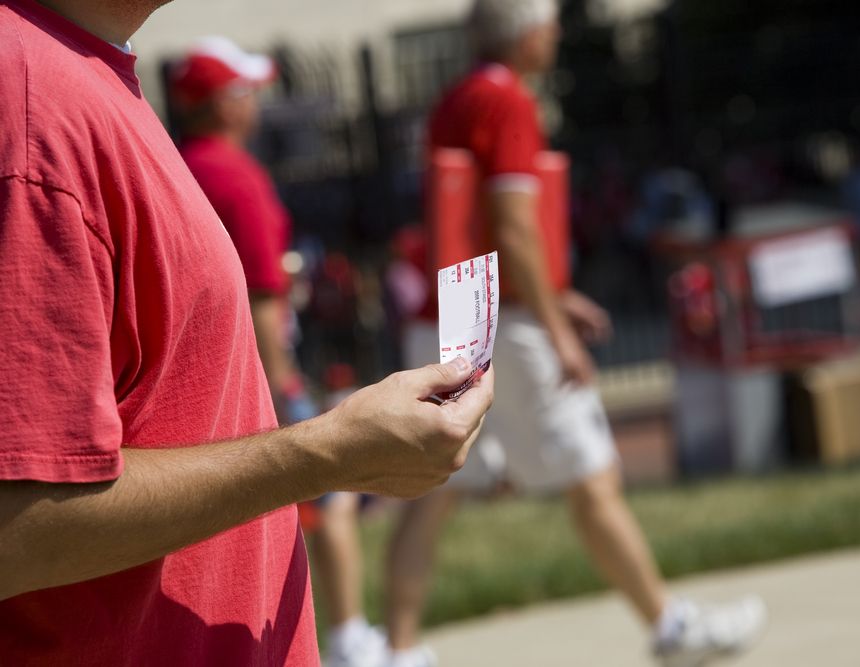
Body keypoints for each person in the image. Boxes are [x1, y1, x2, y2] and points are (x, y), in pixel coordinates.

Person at [0, 2, 493, 666]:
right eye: (247, 92)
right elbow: (18, 524)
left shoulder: (76, 77)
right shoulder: (33, 106)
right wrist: (323, 449)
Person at [383, 2, 766, 666]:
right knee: (591, 471)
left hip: (459, 305)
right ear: (529, 32)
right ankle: (670, 625)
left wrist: (554, 294)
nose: (558, 33)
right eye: (551, 21)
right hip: (507, 320)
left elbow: (474, 224)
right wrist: (556, 327)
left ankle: (395, 647)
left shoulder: (458, 98)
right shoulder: (508, 103)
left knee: (437, 489)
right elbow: (514, 222)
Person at [170, 38, 386, 667]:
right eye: (246, 90)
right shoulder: (238, 173)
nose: (255, 101)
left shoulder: (181, 163)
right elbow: (265, 292)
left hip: (207, 369)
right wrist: (285, 382)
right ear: (224, 104)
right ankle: (349, 640)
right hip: (262, 364)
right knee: (331, 491)